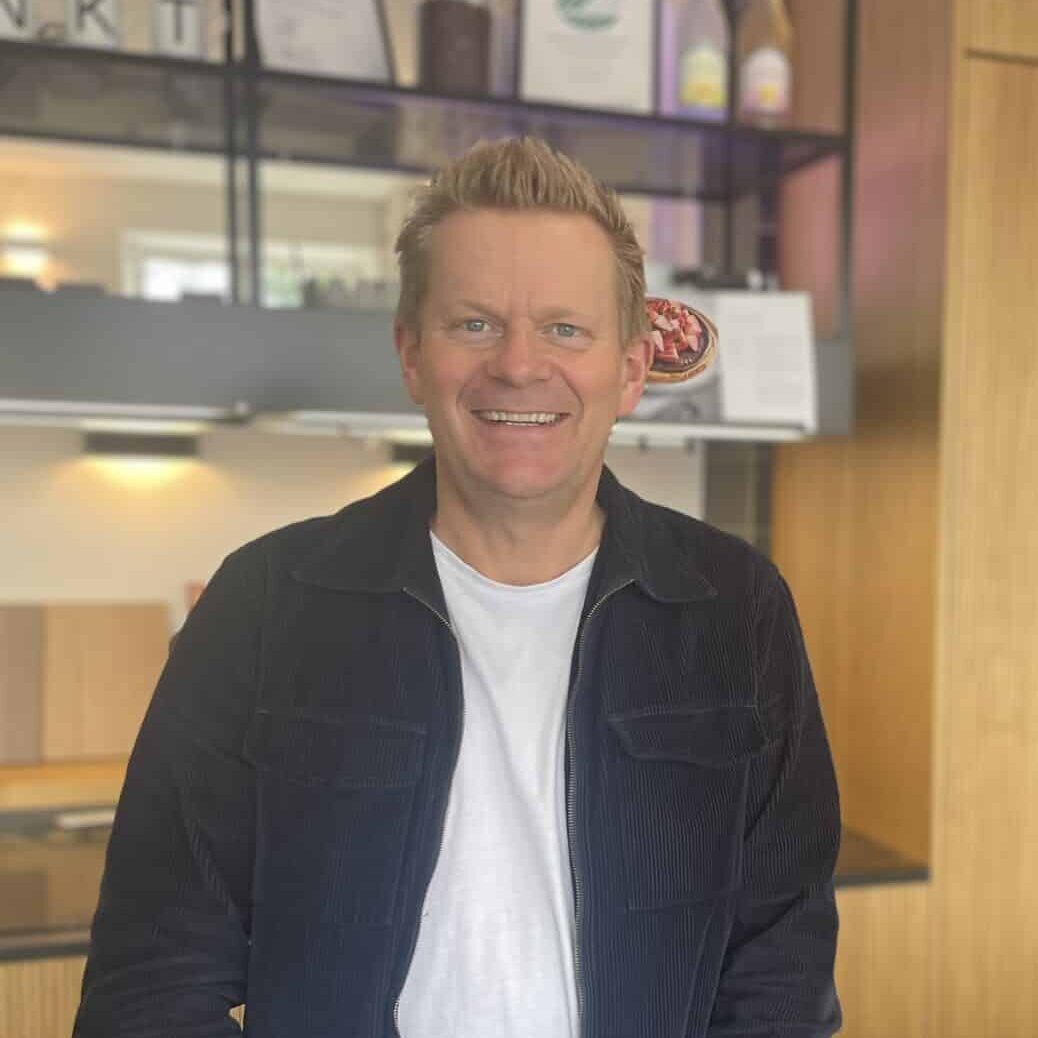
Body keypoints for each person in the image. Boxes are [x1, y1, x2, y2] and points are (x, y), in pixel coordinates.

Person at [73, 136, 841, 1038]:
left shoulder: (736, 610)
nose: (518, 363)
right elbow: (151, 984)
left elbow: (780, 975)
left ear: (631, 368)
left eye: (565, 328)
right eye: (474, 323)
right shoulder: (266, 606)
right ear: (411, 354)